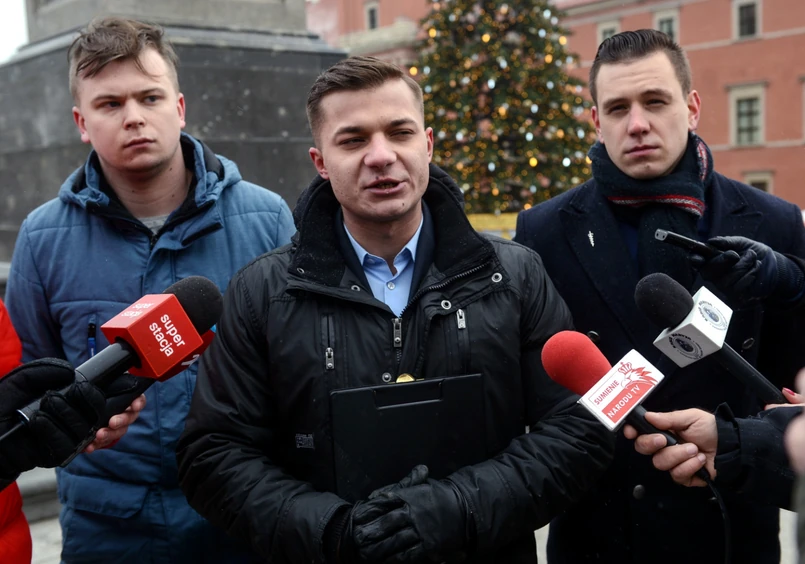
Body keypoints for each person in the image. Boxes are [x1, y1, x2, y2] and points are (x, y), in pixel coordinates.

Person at [176, 55, 615, 564]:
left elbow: (580, 428)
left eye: (399, 133)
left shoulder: (515, 276)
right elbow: (214, 456)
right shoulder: (263, 292)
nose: (381, 156)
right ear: (320, 162)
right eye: (353, 140)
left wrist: (460, 508)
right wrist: (333, 531)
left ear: (427, 145)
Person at [4, 16, 295, 564]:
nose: (134, 116)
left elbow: (297, 365)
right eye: (110, 103)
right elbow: (27, 384)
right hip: (108, 527)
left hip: (244, 512)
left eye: (150, 97)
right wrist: (74, 428)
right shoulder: (42, 239)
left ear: (179, 108)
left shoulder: (268, 218)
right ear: (81, 122)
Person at [515, 29, 805, 564]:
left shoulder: (775, 223)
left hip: (730, 528)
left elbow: (792, 387)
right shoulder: (543, 230)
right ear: (596, 121)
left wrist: (736, 443)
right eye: (617, 108)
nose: (637, 124)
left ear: (691, 108)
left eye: (655, 101)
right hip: (601, 533)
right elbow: (541, 390)